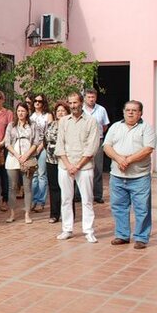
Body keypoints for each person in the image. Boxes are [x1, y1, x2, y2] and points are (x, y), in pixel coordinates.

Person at [103, 100, 156, 249]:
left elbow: (148, 149)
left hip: (139, 176)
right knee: (118, 207)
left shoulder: (146, 128)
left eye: (134, 110)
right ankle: (122, 235)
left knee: (142, 208)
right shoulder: (115, 127)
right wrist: (119, 159)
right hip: (117, 176)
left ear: (140, 113)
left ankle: (141, 238)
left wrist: (128, 160)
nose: (130, 113)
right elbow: (107, 146)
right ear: (124, 112)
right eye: (128, 110)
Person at [55, 92, 100, 243]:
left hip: (84, 166)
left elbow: (92, 146)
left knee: (87, 199)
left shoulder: (91, 121)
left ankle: (88, 230)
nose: (73, 106)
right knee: (66, 199)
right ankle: (67, 229)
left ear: (81, 102)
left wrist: (78, 165)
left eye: (75, 102)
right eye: (70, 103)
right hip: (65, 165)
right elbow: (59, 145)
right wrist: (68, 165)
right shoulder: (63, 121)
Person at [4, 103, 42, 224]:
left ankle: (27, 214)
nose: (20, 113)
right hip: (13, 157)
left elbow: (36, 142)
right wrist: (16, 155)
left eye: (23, 111)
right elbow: (7, 143)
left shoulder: (33, 125)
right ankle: (12, 213)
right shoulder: (11, 125)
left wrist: (26, 156)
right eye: (19, 111)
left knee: (27, 187)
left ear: (27, 112)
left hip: (28, 158)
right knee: (12, 187)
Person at [83, 88, 110, 204]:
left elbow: (105, 126)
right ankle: (79, 194)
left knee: (98, 169)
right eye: (89, 97)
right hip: (83, 142)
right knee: (81, 167)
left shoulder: (101, 110)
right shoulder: (81, 110)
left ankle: (97, 195)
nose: (91, 99)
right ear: (84, 98)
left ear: (96, 97)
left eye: (93, 97)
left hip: (98, 141)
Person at [46, 102, 70, 224]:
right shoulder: (50, 125)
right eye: (58, 111)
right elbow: (46, 140)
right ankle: (54, 214)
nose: (60, 113)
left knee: (66, 188)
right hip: (51, 160)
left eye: (63, 111)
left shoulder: (70, 125)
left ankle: (68, 214)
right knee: (53, 187)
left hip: (65, 161)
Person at [30, 94, 53, 212]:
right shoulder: (31, 116)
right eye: (35, 101)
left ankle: (41, 201)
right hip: (32, 148)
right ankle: (33, 200)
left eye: (40, 101)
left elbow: (49, 133)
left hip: (43, 147)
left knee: (42, 175)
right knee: (33, 175)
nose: (37, 103)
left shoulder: (48, 116)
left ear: (44, 103)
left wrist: (41, 146)